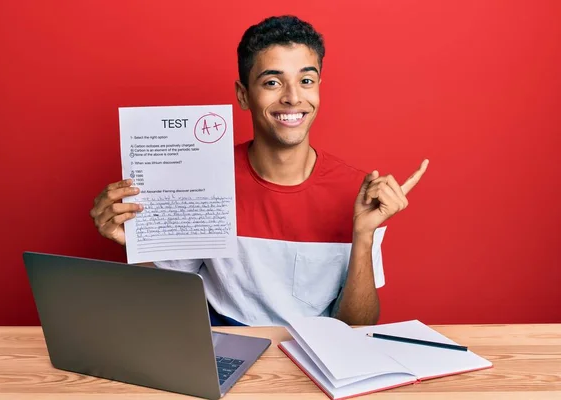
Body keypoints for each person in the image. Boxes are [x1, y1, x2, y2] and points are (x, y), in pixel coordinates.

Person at [90, 15, 428, 327]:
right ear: (243, 95)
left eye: (306, 80)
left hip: (316, 361)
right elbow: (169, 301)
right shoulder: (201, 181)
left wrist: (363, 236)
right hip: (223, 349)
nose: (293, 97)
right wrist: (134, 247)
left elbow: (358, 328)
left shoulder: (357, 192)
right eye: (272, 83)